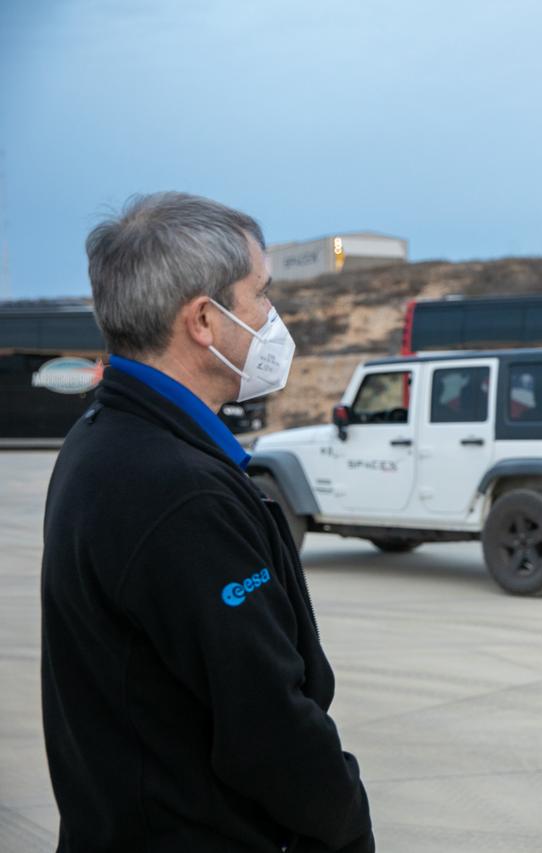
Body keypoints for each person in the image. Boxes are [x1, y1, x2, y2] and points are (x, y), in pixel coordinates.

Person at [41, 193, 373, 852]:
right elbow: (268, 726)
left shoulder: (104, 437)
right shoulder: (180, 493)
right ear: (203, 320)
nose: (273, 318)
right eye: (260, 296)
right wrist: (348, 822)